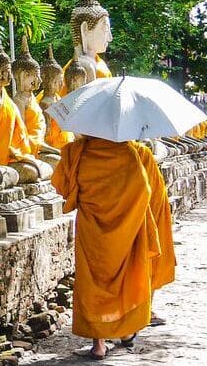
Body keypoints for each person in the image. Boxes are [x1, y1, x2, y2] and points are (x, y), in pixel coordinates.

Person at [54, 136, 171, 359]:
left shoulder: (77, 151)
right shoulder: (132, 153)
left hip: (91, 229)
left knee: (92, 281)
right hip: (125, 228)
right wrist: (130, 215)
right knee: (124, 279)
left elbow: (63, 186)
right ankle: (125, 332)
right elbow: (145, 191)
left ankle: (98, 344)